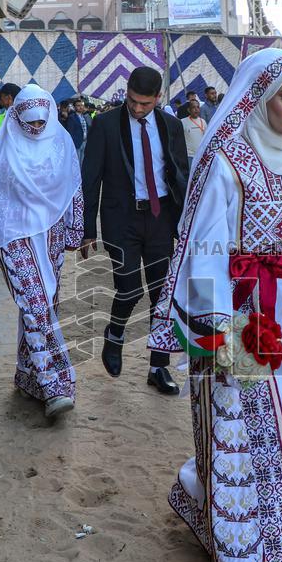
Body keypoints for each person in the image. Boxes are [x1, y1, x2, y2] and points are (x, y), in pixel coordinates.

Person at [147, 47, 282, 562]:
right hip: (235, 318)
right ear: (259, 98)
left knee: (274, 434)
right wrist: (218, 333)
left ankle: (204, 500)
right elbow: (205, 251)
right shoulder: (229, 162)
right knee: (257, 437)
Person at [0, 84, 83, 416]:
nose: (37, 128)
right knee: (35, 305)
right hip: (12, 238)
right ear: (16, 117)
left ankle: (28, 377)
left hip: (51, 237)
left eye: (42, 122)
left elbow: (73, 187)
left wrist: (76, 230)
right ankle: (55, 384)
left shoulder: (61, 142)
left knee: (45, 306)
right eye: (31, 123)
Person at [81, 66, 189, 394]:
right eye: (132, 101)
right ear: (125, 92)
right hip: (121, 220)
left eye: (145, 103)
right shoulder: (105, 125)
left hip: (160, 219)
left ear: (158, 98)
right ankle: (114, 337)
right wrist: (88, 229)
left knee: (161, 294)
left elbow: (180, 173)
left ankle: (158, 367)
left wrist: (186, 222)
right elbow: (90, 179)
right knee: (129, 287)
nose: (137, 108)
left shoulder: (171, 125)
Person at [180, 98, 206, 168]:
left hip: (201, 156)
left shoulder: (203, 121)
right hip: (190, 156)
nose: (196, 109)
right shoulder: (182, 122)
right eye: (193, 107)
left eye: (198, 107)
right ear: (189, 110)